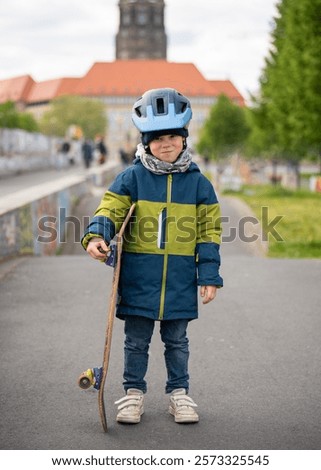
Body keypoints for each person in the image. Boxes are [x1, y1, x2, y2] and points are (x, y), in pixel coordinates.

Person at [81, 88, 223, 424]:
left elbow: (208, 234)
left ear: (184, 139)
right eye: (157, 138)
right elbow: (109, 209)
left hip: (179, 278)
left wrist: (209, 276)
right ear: (145, 142)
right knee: (135, 341)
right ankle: (133, 394)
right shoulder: (132, 177)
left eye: (173, 136)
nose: (166, 144)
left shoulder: (200, 185)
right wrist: (96, 235)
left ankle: (179, 394)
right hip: (138, 278)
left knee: (177, 341)